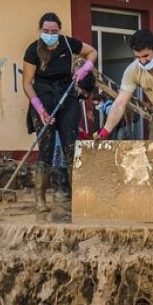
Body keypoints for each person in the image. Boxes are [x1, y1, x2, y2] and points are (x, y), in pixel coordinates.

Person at [23, 12, 97, 206]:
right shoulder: (32, 50)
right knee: (46, 148)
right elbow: (27, 83)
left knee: (71, 146)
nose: (50, 34)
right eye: (46, 31)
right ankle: (40, 198)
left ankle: (77, 198)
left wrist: (85, 68)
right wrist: (39, 108)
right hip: (42, 97)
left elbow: (92, 52)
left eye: (54, 31)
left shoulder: (67, 43)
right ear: (40, 30)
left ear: (59, 30)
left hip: (67, 96)